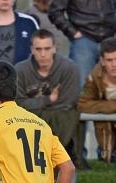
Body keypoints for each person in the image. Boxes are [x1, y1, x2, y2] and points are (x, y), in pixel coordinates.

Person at [15, 29, 80, 183]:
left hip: (65, 141)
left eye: (47, 49)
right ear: (32, 49)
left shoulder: (69, 69)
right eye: (38, 49)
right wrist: (47, 101)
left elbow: (67, 110)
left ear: (55, 48)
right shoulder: (21, 71)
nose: (42, 54)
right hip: (29, 145)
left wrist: (37, 109)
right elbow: (16, 106)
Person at [49, 0, 116, 169]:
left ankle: (110, 153)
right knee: (78, 98)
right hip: (84, 40)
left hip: (110, 38)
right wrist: (73, 33)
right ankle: (78, 154)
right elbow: (55, 11)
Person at [78, 37, 116, 164]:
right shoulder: (94, 77)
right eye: (109, 60)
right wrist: (111, 106)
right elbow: (82, 104)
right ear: (102, 61)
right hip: (106, 128)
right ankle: (107, 154)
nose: (114, 64)